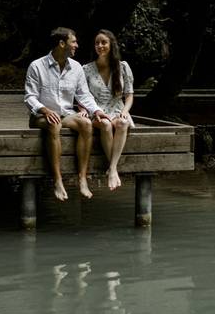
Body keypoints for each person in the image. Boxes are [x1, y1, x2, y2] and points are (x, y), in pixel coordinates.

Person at [24, 27, 108, 201]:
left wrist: (97, 110)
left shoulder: (76, 68)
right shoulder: (37, 66)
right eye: (73, 42)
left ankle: (82, 178)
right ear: (62, 44)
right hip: (41, 116)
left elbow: (84, 95)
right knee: (54, 123)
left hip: (66, 114)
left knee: (86, 124)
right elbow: (30, 97)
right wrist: (45, 110)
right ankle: (58, 180)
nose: (77, 45)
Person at [82, 29, 134, 191]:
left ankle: (112, 168)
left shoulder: (123, 67)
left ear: (111, 45)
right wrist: (83, 108)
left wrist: (125, 110)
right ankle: (113, 169)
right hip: (96, 111)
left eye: (104, 42)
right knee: (105, 124)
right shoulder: (86, 69)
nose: (100, 46)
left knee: (122, 124)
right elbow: (81, 94)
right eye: (97, 43)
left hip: (118, 108)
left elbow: (129, 95)